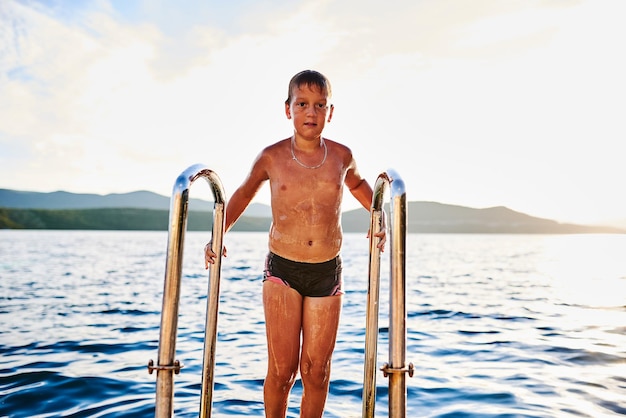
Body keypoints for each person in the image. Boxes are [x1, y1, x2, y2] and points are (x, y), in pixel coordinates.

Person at [204, 69, 386, 418]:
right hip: (282, 271)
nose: (311, 113)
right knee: (283, 370)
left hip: (326, 271)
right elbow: (241, 195)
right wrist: (217, 233)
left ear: (330, 112)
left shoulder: (342, 156)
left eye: (320, 105)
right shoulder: (271, 157)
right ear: (288, 109)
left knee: (316, 372)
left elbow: (362, 187)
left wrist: (381, 219)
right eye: (302, 104)